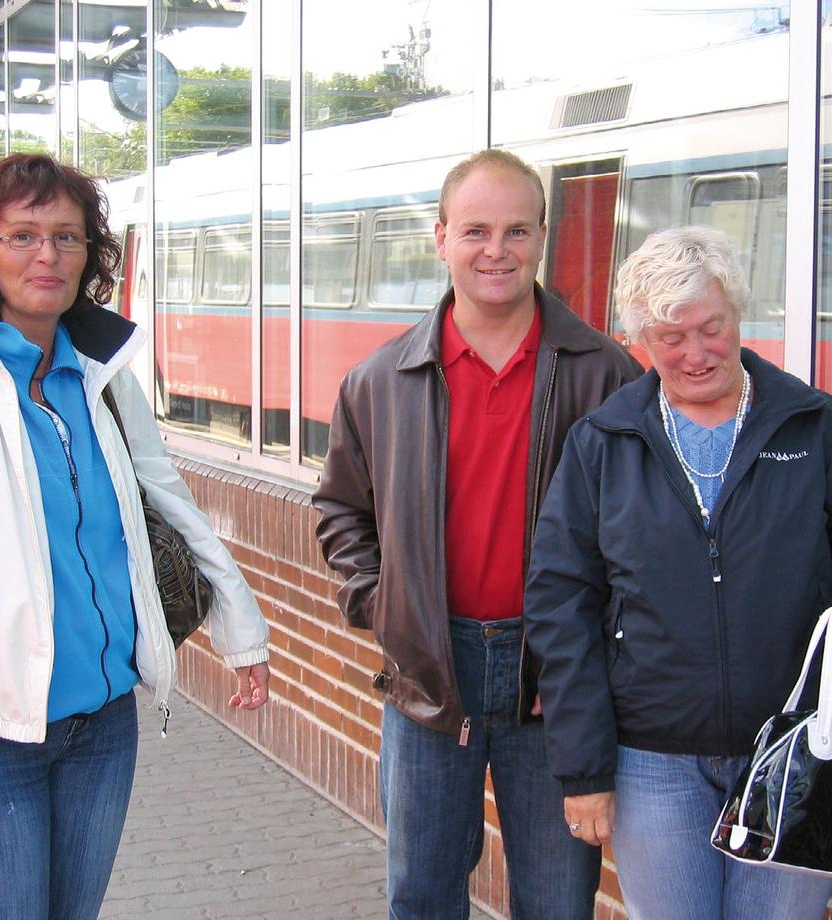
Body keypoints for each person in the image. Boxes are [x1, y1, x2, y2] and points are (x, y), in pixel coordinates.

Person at [0, 153, 271, 920]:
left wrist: (241, 629)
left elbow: (167, 499)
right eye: (23, 236)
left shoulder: (102, 374)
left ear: (92, 255)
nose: (48, 256)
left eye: (67, 238)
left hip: (103, 724)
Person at [523, 224, 832, 920]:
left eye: (711, 327)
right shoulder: (602, 444)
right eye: (670, 336)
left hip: (799, 744)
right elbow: (563, 610)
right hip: (652, 761)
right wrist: (584, 771)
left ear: (740, 315)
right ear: (640, 340)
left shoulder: (818, 427)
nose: (695, 352)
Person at [313, 148, 641, 919]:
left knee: (558, 900)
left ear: (543, 236)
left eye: (517, 231)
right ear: (440, 237)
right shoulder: (379, 381)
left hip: (556, 674)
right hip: (431, 668)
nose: (497, 250)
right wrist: (383, 603)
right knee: (422, 895)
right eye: (476, 231)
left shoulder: (606, 374)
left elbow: (641, 532)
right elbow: (339, 511)